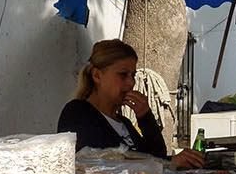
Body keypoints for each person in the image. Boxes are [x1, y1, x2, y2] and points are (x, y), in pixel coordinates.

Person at [58, 39, 203, 165]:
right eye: (123, 75)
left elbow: (156, 155)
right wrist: (168, 163)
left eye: (133, 75)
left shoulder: (124, 122)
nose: (130, 83)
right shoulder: (78, 112)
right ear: (97, 75)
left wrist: (145, 118)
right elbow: (102, 162)